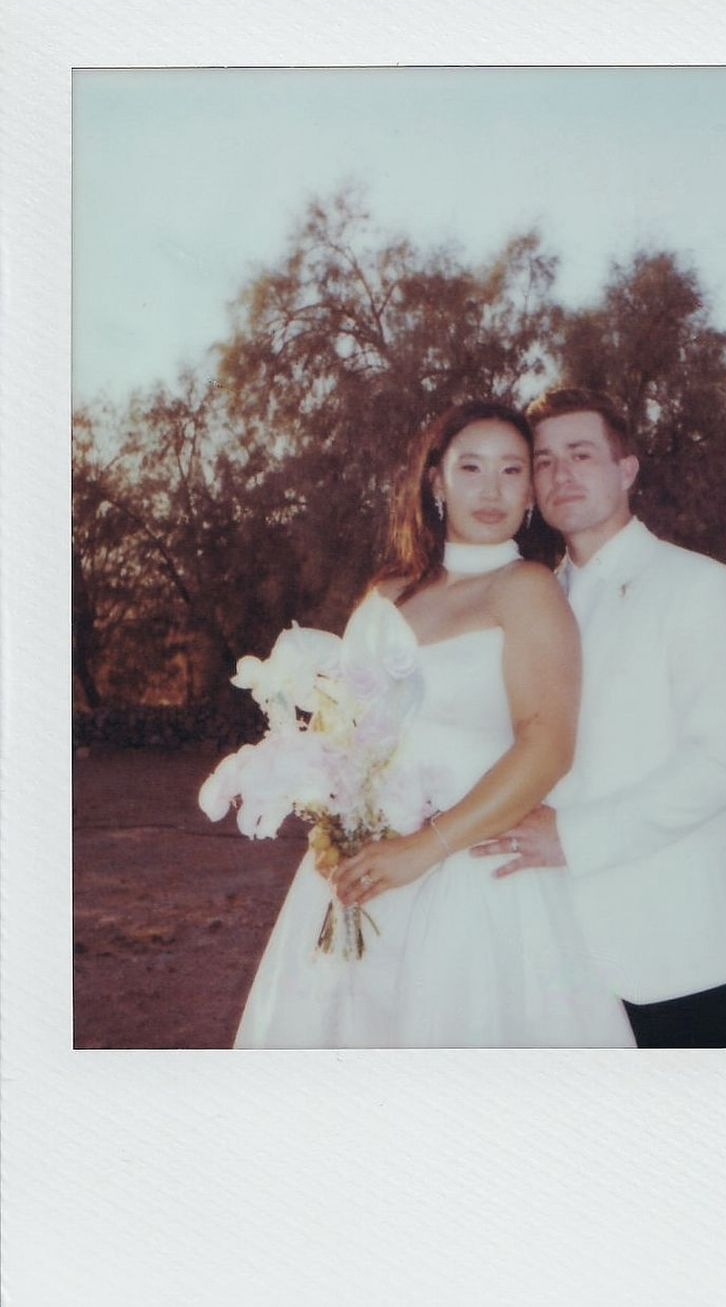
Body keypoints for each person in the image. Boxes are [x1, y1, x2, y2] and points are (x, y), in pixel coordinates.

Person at [233, 400, 634, 1048]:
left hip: (471, 874)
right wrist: (334, 819)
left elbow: (548, 746)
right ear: (436, 481)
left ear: (530, 493)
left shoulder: (527, 589)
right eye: (471, 467)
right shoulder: (388, 593)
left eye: (512, 470)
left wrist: (423, 849)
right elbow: (346, 729)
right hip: (366, 867)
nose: (491, 489)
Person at [474, 388, 726, 1048]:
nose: (561, 474)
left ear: (627, 469)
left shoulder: (699, 586)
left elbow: (724, 762)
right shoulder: (529, 599)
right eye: (544, 461)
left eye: (581, 454)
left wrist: (574, 838)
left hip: (675, 934)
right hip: (555, 935)